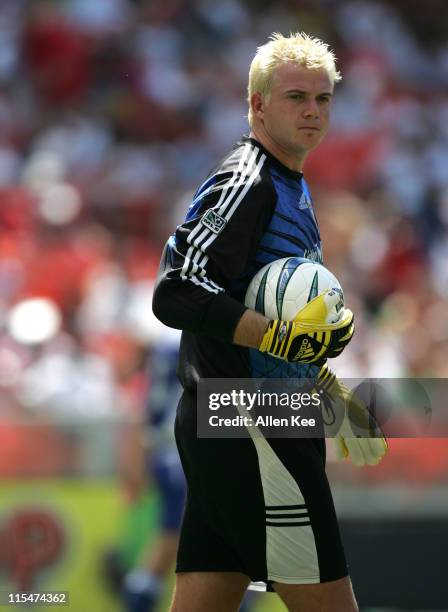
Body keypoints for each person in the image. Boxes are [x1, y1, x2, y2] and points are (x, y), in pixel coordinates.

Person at [152, 32, 387, 612]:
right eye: (295, 98)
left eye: (323, 99)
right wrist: (277, 336)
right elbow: (176, 290)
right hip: (251, 427)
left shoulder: (290, 183)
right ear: (257, 105)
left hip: (246, 421)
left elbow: (270, 324)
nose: (312, 111)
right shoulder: (247, 180)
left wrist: (329, 395)